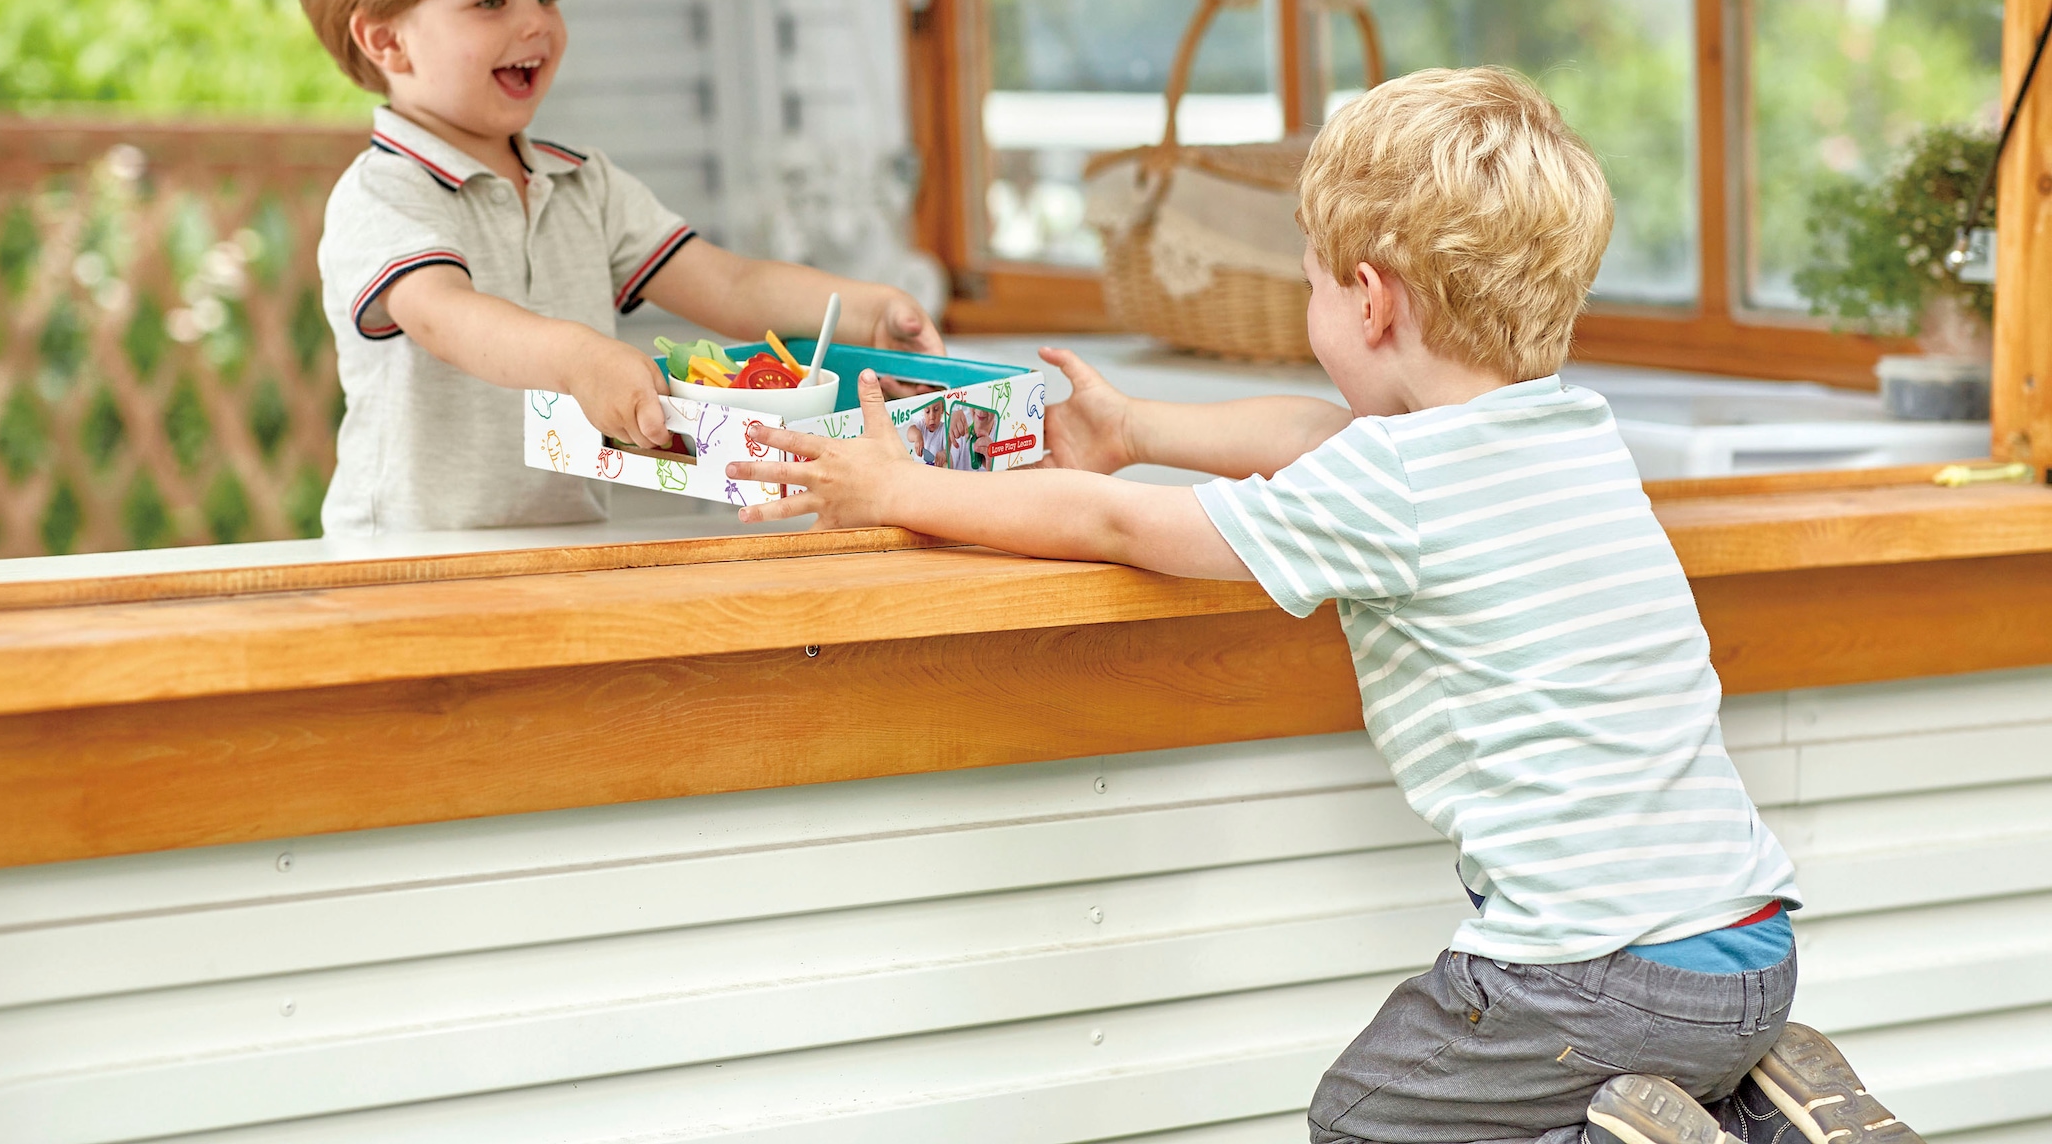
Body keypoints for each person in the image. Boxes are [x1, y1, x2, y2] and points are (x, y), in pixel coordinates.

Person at [728, 68, 1920, 1144]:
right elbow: (1316, 437)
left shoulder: (1396, 480)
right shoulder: (1567, 433)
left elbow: (1116, 525)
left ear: (1368, 300)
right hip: (1749, 962)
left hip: (1589, 975)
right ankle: (1766, 1116)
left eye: (1307, 285)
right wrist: (1137, 429)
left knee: (1364, 1123)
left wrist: (895, 486)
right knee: (1611, 1086)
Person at [299, 0, 941, 535]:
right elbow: (443, 316)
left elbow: (728, 284)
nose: (536, 22)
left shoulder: (583, 183)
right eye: (492, 2)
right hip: (402, 566)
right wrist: (578, 358)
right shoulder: (383, 195)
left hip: (559, 547)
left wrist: (863, 311)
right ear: (386, 42)